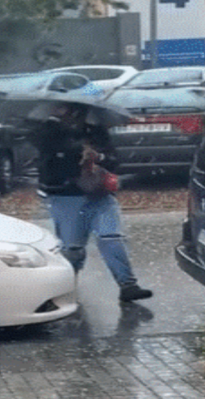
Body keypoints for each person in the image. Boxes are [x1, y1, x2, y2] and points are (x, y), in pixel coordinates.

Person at [34, 104, 152, 302]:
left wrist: (99, 157)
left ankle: (128, 284)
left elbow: (113, 160)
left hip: (100, 195)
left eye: (74, 112)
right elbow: (48, 164)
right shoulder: (48, 132)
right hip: (65, 197)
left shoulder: (96, 132)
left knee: (111, 238)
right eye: (65, 111)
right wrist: (76, 153)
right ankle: (66, 286)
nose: (69, 115)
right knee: (72, 248)